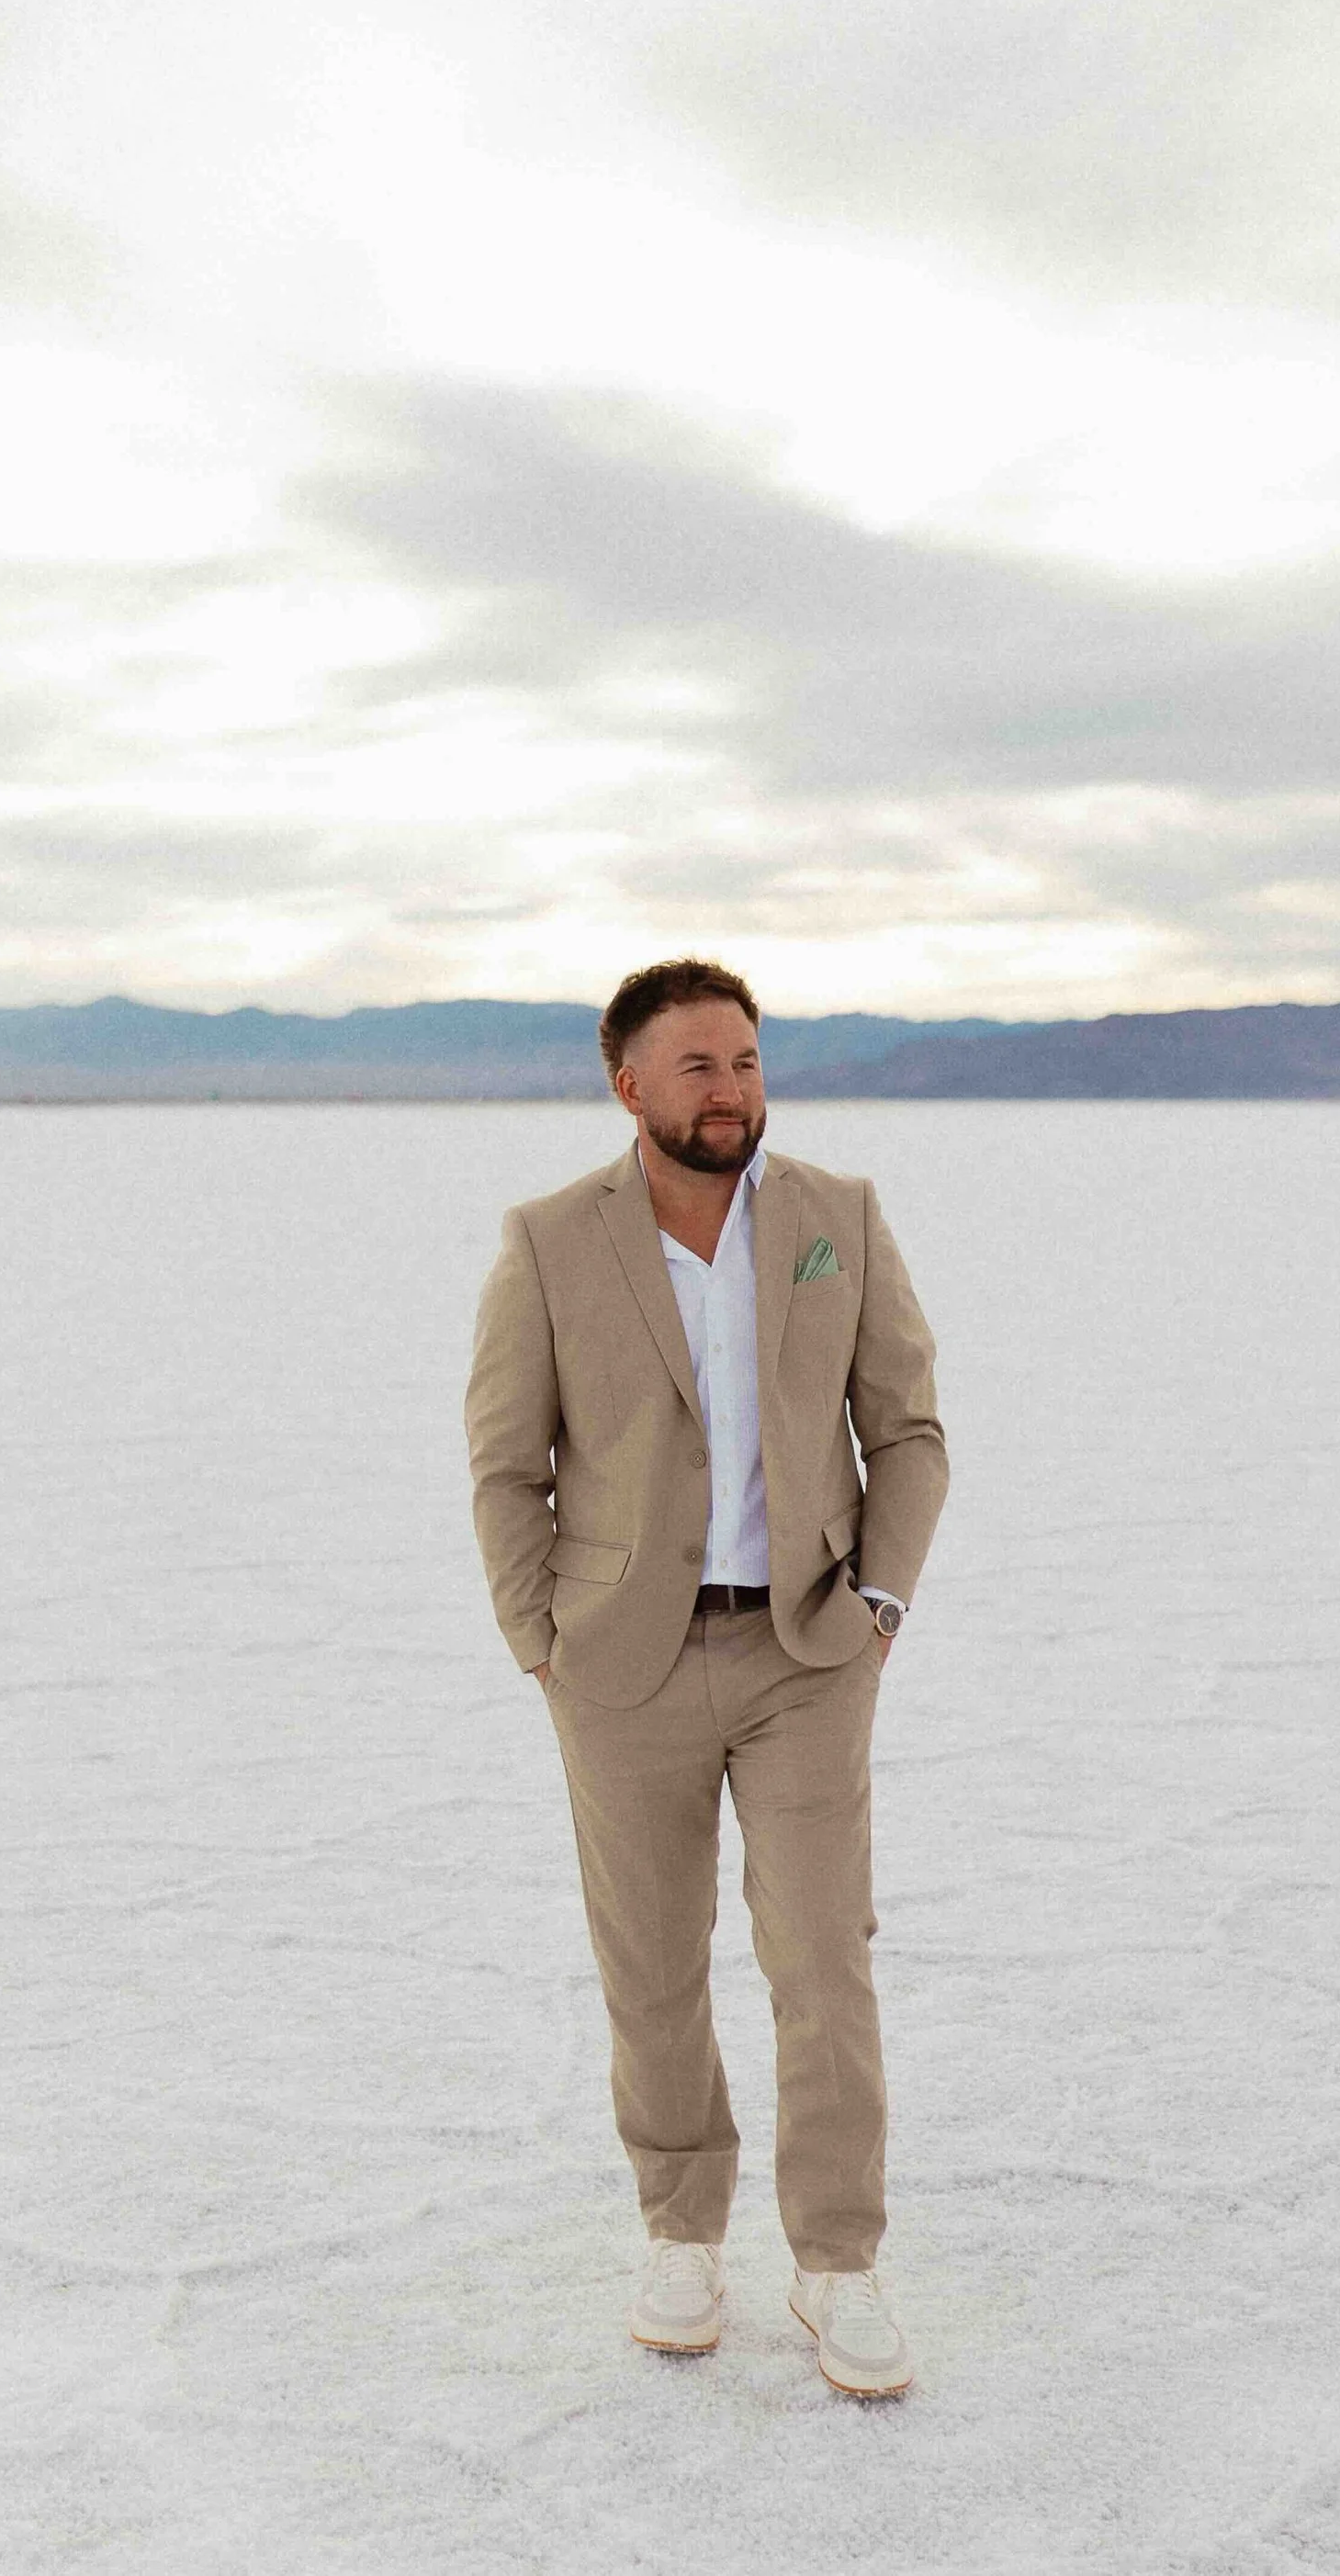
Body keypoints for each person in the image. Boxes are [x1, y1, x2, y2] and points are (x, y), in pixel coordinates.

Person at [464, 956, 949, 2397]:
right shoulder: (551, 1240)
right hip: (622, 1665)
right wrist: (539, 1639)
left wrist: (877, 1599)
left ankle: (836, 2263)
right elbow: (506, 1463)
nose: (729, 1086)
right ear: (628, 1084)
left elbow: (908, 1431)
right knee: (653, 1961)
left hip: (807, 1647)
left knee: (823, 1955)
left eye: (744, 1058)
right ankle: (682, 2232)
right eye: (697, 1064)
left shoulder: (836, 1218)